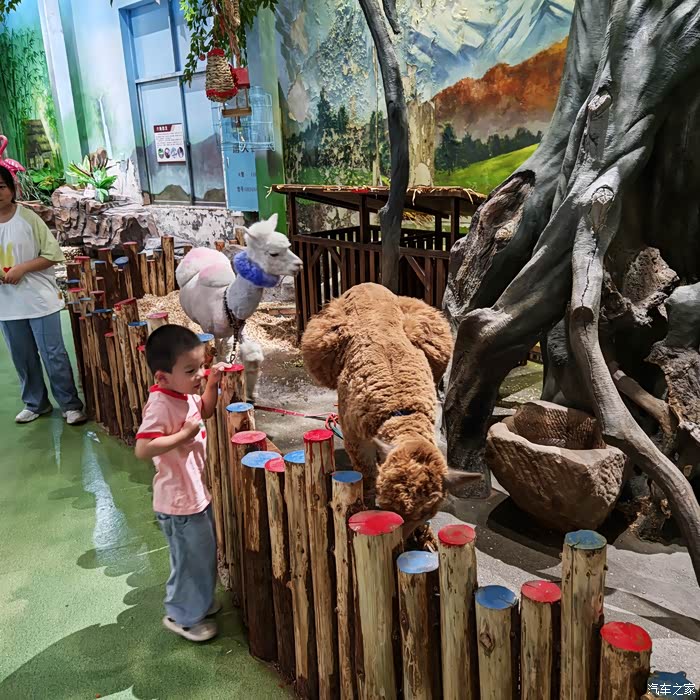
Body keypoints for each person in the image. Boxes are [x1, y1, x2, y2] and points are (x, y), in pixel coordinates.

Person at [135, 324, 229, 642]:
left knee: (202, 553)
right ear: (162, 377)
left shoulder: (184, 394)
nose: (199, 374)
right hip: (177, 503)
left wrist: (212, 384)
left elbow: (206, 410)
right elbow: (143, 447)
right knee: (189, 559)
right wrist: (183, 435)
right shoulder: (161, 405)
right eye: (191, 370)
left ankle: (198, 602)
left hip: (194, 495)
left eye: (201, 366)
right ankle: (182, 616)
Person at [0, 164, 86, 425]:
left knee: (53, 354)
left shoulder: (27, 218)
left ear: (11, 189)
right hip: (7, 305)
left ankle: (70, 405)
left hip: (39, 300)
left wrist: (22, 268)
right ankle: (36, 403)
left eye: (1, 187)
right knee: (22, 356)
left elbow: (52, 254)